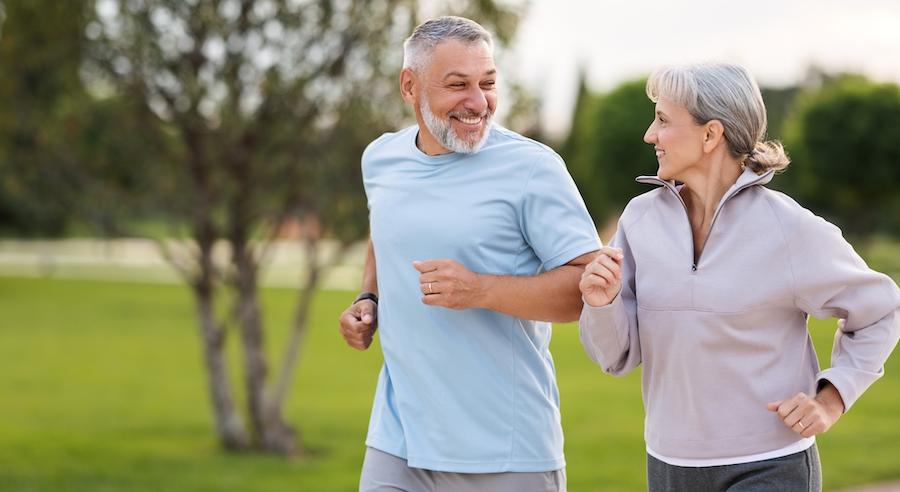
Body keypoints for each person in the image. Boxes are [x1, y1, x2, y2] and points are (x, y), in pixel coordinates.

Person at [578, 63, 900, 491]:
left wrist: (832, 397)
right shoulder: (638, 221)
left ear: (711, 135)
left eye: (662, 120)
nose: (649, 135)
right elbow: (615, 357)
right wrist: (602, 303)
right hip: (668, 465)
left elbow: (882, 310)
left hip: (769, 466)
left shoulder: (789, 229)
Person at [337, 16, 600, 492]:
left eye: (488, 83)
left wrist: (479, 289)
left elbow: (586, 289)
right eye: (458, 85)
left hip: (505, 452)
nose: (478, 102)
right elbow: (385, 227)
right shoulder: (380, 159)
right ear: (409, 85)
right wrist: (368, 298)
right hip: (399, 441)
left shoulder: (533, 168)